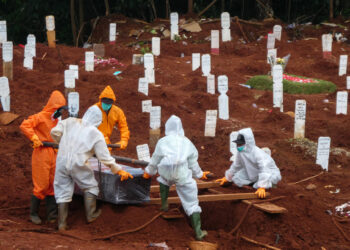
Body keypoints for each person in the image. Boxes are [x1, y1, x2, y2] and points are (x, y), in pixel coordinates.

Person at [51, 106, 133, 231]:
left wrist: (63, 143)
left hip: (61, 161)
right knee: (90, 186)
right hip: (78, 162)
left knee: (62, 191)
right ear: (98, 121)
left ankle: (62, 224)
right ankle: (91, 215)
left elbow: (54, 132)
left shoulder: (69, 121)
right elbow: (104, 157)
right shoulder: (95, 133)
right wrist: (118, 169)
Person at [143, 115, 210, 241]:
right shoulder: (187, 142)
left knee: (164, 180)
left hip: (165, 170)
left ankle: (164, 205)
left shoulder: (163, 141)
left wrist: (148, 172)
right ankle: (198, 232)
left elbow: (155, 159)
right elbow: (192, 163)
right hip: (181, 172)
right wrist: (200, 174)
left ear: (168, 128)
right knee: (191, 201)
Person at [20, 90, 67, 225]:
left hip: (55, 152)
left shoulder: (58, 120)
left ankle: (52, 215)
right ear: (54, 107)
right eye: (59, 109)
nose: (61, 112)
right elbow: (25, 125)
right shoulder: (40, 117)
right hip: (42, 152)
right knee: (41, 184)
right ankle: (33, 213)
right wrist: (34, 137)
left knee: (53, 183)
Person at [216, 128, 281, 198]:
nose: (238, 146)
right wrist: (227, 177)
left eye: (241, 144)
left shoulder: (258, 153)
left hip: (269, 172)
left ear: (247, 142)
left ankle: (270, 185)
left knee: (268, 180)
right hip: (254, 172)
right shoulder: (241, 152)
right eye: (238, 144)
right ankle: (254, 183)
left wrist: (262, 187)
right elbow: (236, 166)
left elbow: (264, 170)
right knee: (237, 178)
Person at [94, 85, 130, 150]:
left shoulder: (117, 112)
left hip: (106, 144)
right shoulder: (94, 110)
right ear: (101, 100)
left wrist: (124, 140)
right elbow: (87, 127)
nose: (106, 105)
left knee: (106, 157)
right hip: (93, 142)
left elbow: (124, 127)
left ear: (112, 103)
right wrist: (103, 139)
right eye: (105, 103)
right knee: (93, 159)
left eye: (108, 104)